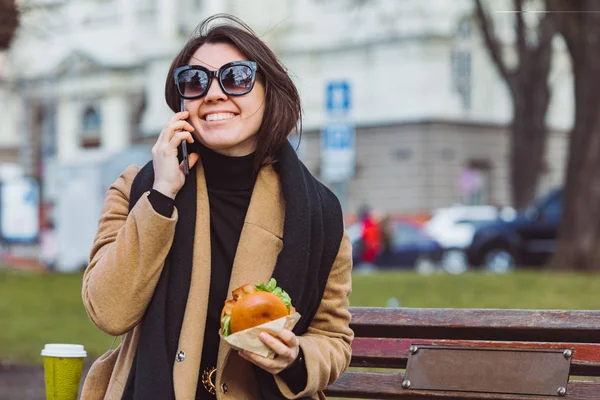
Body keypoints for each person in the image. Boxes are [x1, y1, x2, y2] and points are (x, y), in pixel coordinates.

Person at [80, 14, 353, 400]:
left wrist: (295, 357)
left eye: (236, 77)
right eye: (195, 82)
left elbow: (332, 338)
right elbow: (108, 312)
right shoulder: (136, 188)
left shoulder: (317, 212)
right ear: (182, 104)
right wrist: (160, 196)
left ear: (268, 91)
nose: (213, 94)